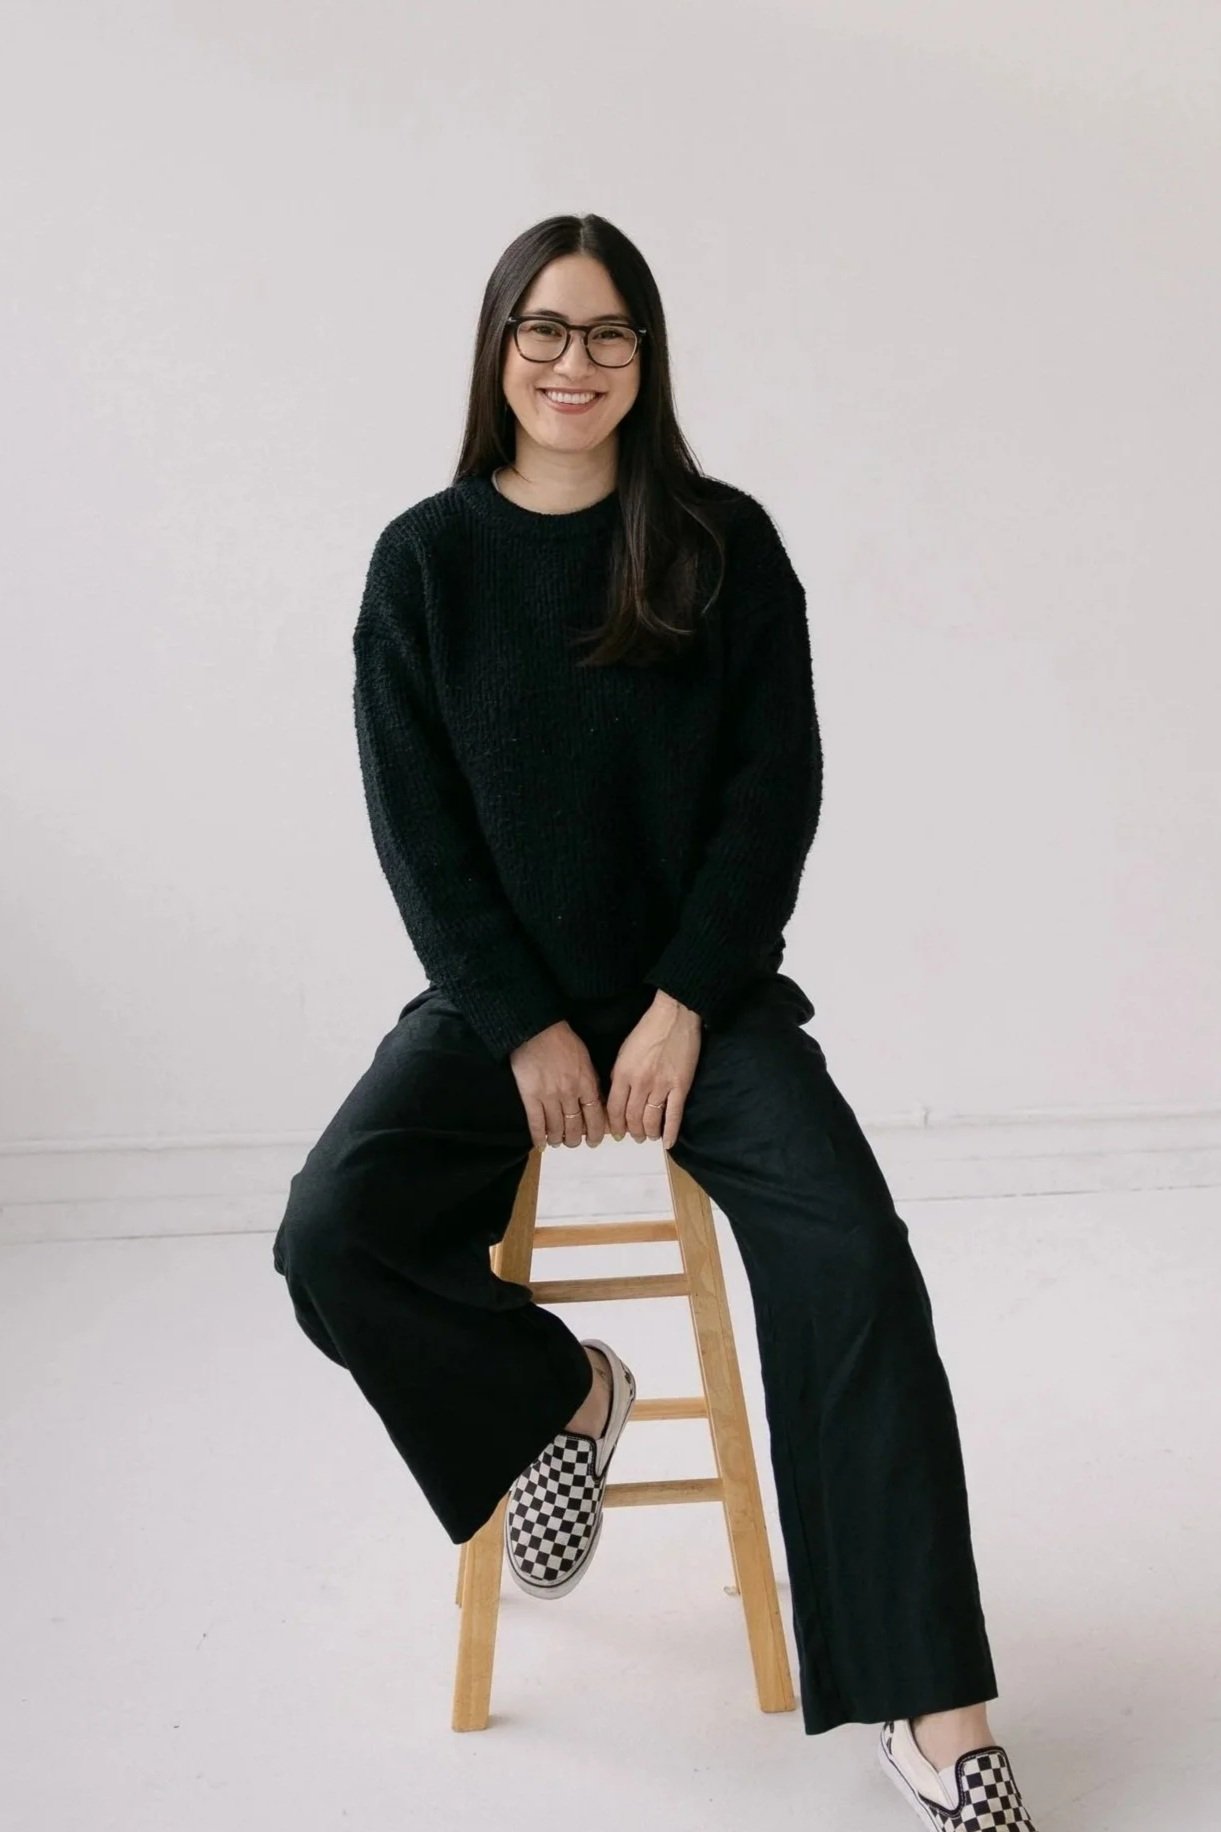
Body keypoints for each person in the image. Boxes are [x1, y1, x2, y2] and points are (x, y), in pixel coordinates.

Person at [272, 212, 1038, 1829]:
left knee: (853, 1263)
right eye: (543, 331)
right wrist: (524, 1024)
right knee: (331, 1230)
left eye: (609, 333)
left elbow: (775, 793)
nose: (575, 363)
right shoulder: (425, 559)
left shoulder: (717, 542)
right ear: (497, 352)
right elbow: (416, 824)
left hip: (706, 999)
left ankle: (934, 1709)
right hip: (503, 1009)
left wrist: (687, 1000)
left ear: (648, 358)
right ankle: (563, 1399)